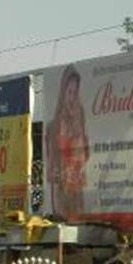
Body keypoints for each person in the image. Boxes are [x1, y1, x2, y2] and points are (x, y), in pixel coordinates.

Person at [46, 65, 89, 220]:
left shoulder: (80, 114)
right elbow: (50, 168)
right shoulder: (55, 124)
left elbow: (85, 151)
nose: (72, 97)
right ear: (63, 92)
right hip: (62, 188)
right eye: (69, 92)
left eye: (75, 92)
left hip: (76, 185)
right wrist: (56, 172)